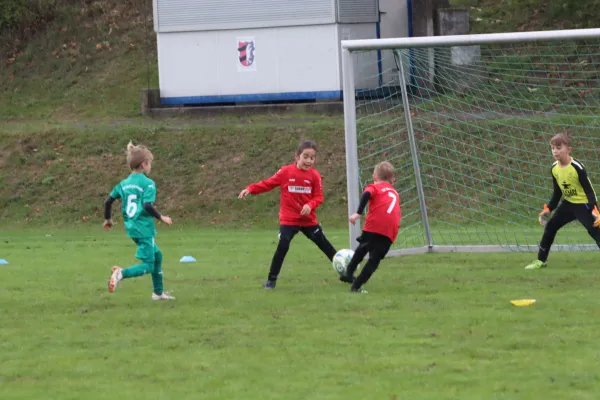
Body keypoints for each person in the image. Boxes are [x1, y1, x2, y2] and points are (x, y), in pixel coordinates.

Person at [238, 140, 337, 289]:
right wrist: (251, 189)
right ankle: (271, 280)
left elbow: (319, 197)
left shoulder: (315, 176)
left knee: (325, 245)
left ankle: (347, 273)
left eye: (312, 157)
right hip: (289, 218)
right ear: (297, 156)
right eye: (306, 156)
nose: (309, 160)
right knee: (283, 245)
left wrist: (310, 205)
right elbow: (268, 183)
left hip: (308, 220)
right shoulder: (286, 172)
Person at [103, 141, 175, 300]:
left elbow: (108, 201)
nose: (150, 167)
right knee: (149, 264)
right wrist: (161, 217)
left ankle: (158, 292)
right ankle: (121, 273)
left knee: (158, 256)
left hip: (132, 227)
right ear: (144, 164)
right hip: (144, 228)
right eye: (150, 163)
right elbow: (147, 205)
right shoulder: (148, 184)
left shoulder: (124, 184)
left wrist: (108, 219)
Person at [525, 133, 600, 269]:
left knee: (594, 231)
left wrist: (594, 208)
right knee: (551, 227)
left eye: (559, 148)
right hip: (568, 204)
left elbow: (589, 191)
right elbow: (557, 192)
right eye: (553, 148)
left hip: (583, 204)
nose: (555, 151)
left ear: (568, 150)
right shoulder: (554, 168)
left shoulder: (577, 167)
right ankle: (541, 261)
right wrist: (548, 208)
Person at [340, 161, 401, 293]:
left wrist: (358, 213)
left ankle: (348, 273)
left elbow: (366, 194)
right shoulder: (395, 193)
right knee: (373, 261)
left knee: (362, 249)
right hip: (390, 231)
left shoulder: (375, 187)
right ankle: (356, 286)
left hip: (373, 225)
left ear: (375, 177)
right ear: (393, 180)